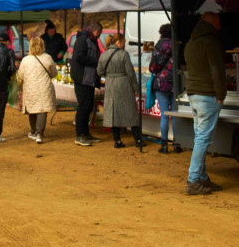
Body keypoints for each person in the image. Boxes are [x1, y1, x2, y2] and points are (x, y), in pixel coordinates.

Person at [183, 11, 226, 195]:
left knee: (199, 138)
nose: (220, 26)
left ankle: (201, 178)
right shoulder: (211, 42)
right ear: (212, 24)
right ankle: (193, 180)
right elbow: (217, 70)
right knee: (203, 139)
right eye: (218, 23)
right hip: (207, 94)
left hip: (192, 93)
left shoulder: (190, 43)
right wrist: (220, 93)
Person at [97, 34, 143, 150]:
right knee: (131, 113)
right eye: (123, 42)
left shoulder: (104, 54)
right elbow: (131, 73)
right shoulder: (123, 54)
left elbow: (99, 71)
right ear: (118, 42)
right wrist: (136, 88)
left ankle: (117, 141)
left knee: (113, 114)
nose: (124, 44)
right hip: (124, 85)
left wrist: (109, 75)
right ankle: (138, 140)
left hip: (110, 85)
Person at [15, 36, 56, 144]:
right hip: (45, 88)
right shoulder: (47, 57)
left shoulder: (25, 60)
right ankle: (39, 134)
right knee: (42, 109)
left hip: (30, 88)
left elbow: (21, 75)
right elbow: (54, 73)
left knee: (32, 109)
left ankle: (33, 131)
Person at [149, 23, 180, 154]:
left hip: (162, 83)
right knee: (175, 115)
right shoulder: (177, 45)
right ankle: (178, 144)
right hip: (176, 83)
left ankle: (164, 145)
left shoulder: (159, 45)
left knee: (164, 116)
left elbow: (153, 67)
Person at [71, 21, 103, 147]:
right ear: (95, 31)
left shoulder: (91, 40)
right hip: (82, 78)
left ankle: (86, 133)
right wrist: (95, 61)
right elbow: (79, 57)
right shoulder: (82, 40)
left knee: (89, 106)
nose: (99, 35)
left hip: (89, 79)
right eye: (99, 33)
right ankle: (80, 135)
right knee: (83, 107)